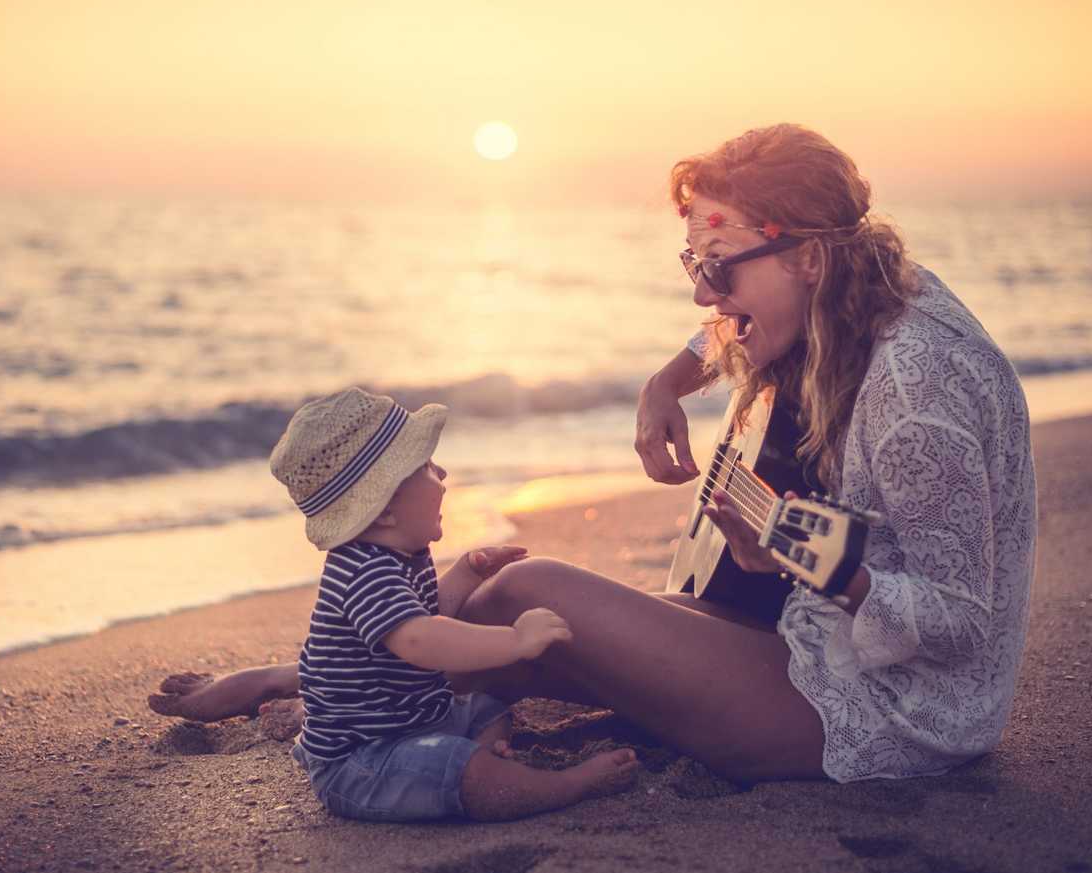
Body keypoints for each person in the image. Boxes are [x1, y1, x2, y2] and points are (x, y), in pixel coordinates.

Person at [151, 124, 1037, 784]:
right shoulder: (849, 285)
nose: (701, 288)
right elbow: (723, 330)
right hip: (817, 636)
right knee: (509, 611)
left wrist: (807, 553)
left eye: (719, 264)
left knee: (530, 594)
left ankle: (328, 686)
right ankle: (321, 679)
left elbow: (962, 620)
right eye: (692, 257)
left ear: (808, 255)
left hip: (894, 710)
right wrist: (665, 384)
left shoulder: (917, 387)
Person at [198, 386, 639, 822]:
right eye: (426, 466)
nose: (443, 473)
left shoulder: (403, 554)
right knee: (465, 774)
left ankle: (476, 758)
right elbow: (421, 640)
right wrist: (516, 640)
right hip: (363, 759)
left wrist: (467, 571)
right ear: (386, 508)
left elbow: (429, 614)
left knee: (488, 711)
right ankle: (563, 786)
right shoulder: (362, 571)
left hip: (414, 722)